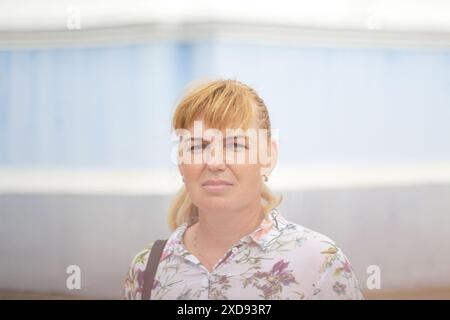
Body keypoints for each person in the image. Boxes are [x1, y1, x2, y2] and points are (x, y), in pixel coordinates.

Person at [124, 79, 364, 300]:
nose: (215, 162)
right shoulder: (147, 268)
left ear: (268, 156)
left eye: (235, 145)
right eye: (197, 146)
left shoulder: (319, 263)